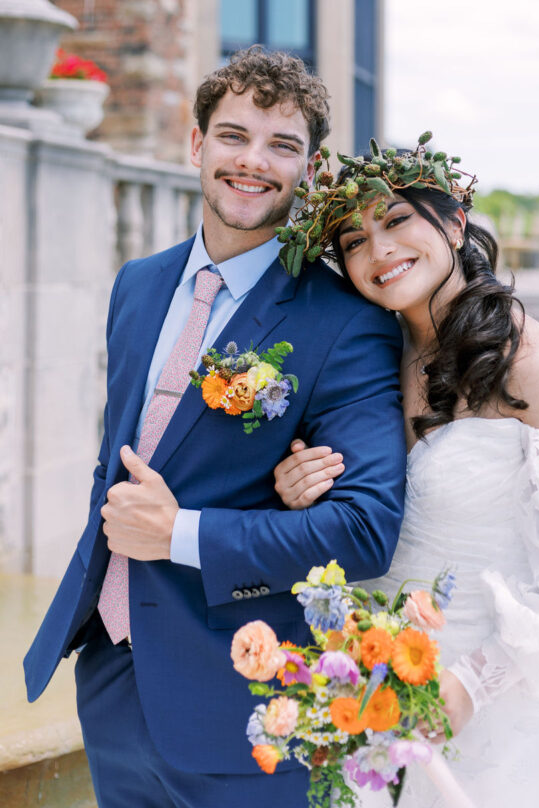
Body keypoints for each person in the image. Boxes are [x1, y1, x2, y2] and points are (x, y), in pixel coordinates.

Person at [23, 48, 407, 808]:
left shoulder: (346, 323)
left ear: (310, 167)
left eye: (282, 146)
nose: (252, 163)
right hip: (111, 675)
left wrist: (180, 534)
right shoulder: (137, 283)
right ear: (196, 145)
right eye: (233, 136)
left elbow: (365, 531)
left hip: (240, 695)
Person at [273, 139, 539, 808]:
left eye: (395, 220)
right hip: (374, 687)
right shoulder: (367, 359)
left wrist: (466, 687)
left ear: (453, 222)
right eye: (352, 239)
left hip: (501, 704)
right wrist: (304, 488)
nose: (378, 249)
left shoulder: (529, 363)